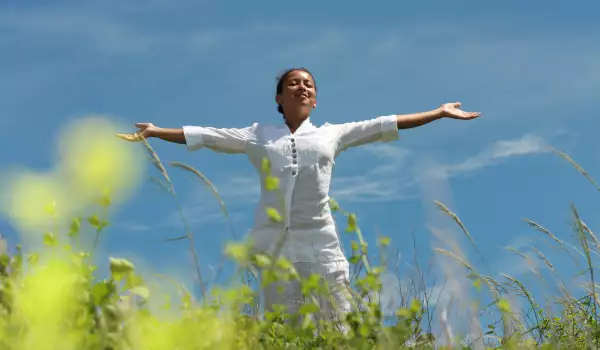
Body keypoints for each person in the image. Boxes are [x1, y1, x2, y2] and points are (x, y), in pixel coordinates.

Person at [131, 68, 481, 324]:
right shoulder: (258, 135)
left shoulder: (333, 134)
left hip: (322, 243)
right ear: (279, 99)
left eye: (308, 84)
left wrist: (437, 113)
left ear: (315, 99)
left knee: (339, 322)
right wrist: (156, 131)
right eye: (293, 83)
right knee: (285, 326)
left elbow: (385, 124)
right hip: (273, 246)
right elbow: (206, 135)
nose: (302, 87)